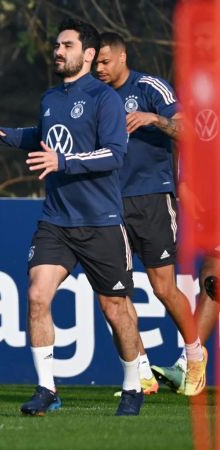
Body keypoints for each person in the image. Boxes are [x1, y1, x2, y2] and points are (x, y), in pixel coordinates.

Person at [0, 18, 144, 416]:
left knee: (115, 310)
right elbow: (38, 136)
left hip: (101, 221)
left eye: (67, 45)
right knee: (37, 295)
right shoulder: (50, 98)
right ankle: (46, 389)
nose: (58, 51)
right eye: (57, 45)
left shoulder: (105, 99)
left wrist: (65, 160)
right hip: (56, 220)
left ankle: (132, 387)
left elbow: (114, 154)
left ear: (88, 54)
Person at [95, 32, 206, 396]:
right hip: (109, 202)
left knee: (163, 287)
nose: (100, 69)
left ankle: (194, 356)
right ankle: (140, 372)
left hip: (152, 198)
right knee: (112, 295)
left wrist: (153, 119)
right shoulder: (93, 95)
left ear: (123, 56)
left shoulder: (149, 87)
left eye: (106, 62)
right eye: (95, 62)